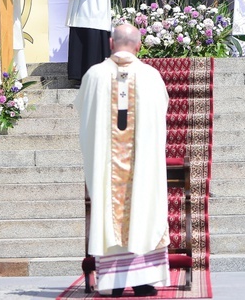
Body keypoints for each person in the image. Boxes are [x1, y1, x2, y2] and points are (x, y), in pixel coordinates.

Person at [75, 24, 170, 297]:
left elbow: (83, 112)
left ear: (110, 43)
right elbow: (162, 110)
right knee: (144, 207)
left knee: (108, 209)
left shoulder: (94, 76)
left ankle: (113, 283)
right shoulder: (151, 76)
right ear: (139, 46)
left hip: (108, 171)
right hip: (142, 170)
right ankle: (144, 280)